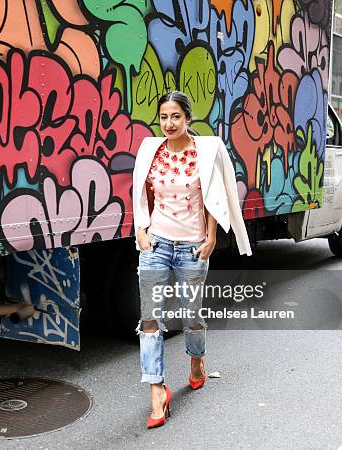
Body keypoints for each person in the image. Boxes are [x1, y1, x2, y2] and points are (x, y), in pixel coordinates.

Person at [132, 91, 252, 429]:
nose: (168, 124)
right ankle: (157, 390)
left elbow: (213, 197)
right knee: (151, 321)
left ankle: (196, 360)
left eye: (175, 117)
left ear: (188, 119)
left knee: (191, 316)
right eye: (163, 117)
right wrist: (141, 230)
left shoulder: (205, 153)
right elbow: (142, 194)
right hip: (155, 244)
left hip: (192, 246)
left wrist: (212, 236)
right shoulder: (151, 152)